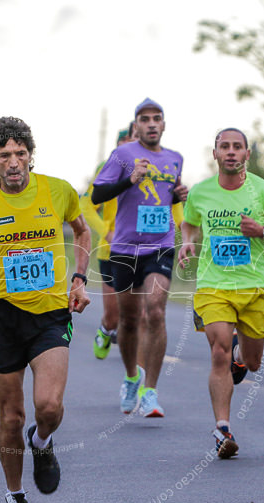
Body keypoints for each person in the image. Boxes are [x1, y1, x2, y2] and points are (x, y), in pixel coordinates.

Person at [0, 116, 90, 503]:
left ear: (30, 155)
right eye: (3, 156)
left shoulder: (58, 190)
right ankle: (15, 499)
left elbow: (81, 234)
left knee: (48, 407)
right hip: (2, 317)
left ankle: (43, 441)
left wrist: (80, 278)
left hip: (49, 313)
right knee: (11, 416)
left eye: (20, 153)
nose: (14, 162)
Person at [178, 128, 264, 458]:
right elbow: (189, 222)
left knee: (253, 363)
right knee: (218, 352)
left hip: (254, 288)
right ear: (214, 153)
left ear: (247, 154)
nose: (231, 152)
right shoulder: (200, 192)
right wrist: (187, 241)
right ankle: (222, 429)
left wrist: (263, 231)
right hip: (213, 287)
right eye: (224, 147)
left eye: (237, 147)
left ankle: (240, 356)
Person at [91, 98, 188, 417]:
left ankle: (150, 390)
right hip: (123, 248)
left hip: (159, 246)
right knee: (129, 320)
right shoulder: (122, 155)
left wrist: (177, 195)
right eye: (144, 119)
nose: (150, 124)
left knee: (155, 311)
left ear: (163, 124)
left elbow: (167, 197)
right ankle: (132, 377)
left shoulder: (175, 159)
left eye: (156, 118)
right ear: (136, 126)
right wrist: (129, 180)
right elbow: (97, 195)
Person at [82, 124, 136, 359]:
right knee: (114, 316)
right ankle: (106, 330)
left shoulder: (154, 169)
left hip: (143, 251)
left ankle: (136, 365)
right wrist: (106, 231)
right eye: (127, 141)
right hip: (111, 252)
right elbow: (87, 205)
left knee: (140, 313)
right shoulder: (108, 168)